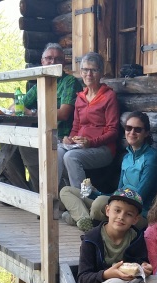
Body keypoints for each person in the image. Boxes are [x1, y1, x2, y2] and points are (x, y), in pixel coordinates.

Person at [60, 111, 157, 232]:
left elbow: (139, 197)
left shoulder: (152, 158)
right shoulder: (127, 157)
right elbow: (118, 192)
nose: (132, 132)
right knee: (66, 191)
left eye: (138, 129)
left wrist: (106, 200)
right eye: (128, 128)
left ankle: (81, 217)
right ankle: (85, 219)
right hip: (118, 205)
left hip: (137, 213)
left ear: (146, 133)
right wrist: (95, 192)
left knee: (98, 204)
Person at [19, 44, 81, 191]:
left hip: (61, 136)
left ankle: (40, 192)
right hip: (42, 134)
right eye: (49, 58)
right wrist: (20, 108)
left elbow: (64, 113)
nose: (53, 62)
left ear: (64, 63)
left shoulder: (69, 82)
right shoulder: (40, 84)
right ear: (42, 62)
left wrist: (32, 113)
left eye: (57, 59)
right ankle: (19, 186)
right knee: (9, 139)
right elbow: (17, 106)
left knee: (24, 146)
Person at [57, 52, 119, 190]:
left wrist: (91, 142)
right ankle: (54, 197)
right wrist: (70, 139)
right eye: (85, 70)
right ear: (81, 72)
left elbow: (113, 131)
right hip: (80, 147)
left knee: (71, 157)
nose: (89, 74)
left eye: (94, 70)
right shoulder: (80, 98)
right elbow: (76, 127)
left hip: (103, 149)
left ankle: (80, 199)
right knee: (57, 151)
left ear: (101, 73)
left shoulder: (109, 96)